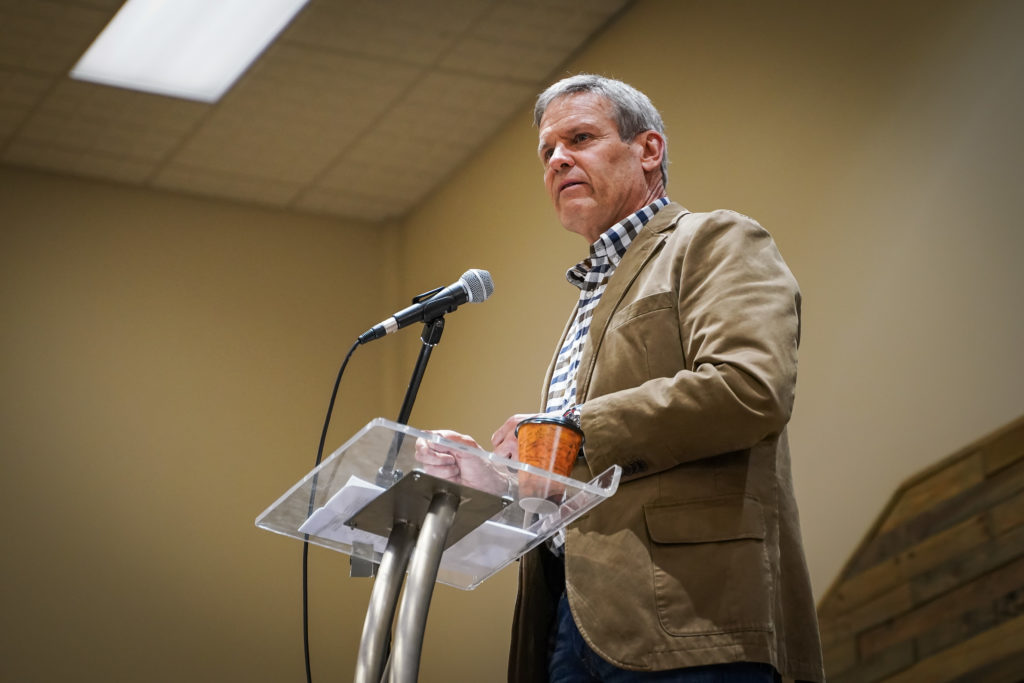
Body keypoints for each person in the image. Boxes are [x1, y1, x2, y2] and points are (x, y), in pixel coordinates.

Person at [415, 74, 824, 683]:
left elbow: (748, 387)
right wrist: (499, 478)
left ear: (648, 150)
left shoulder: (712, 240)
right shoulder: (589, 298)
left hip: (689, 620)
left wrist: (567, 430)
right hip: (568, 623)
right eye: (547, 151)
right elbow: (583, 471)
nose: (558, 160)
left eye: (580, 137)